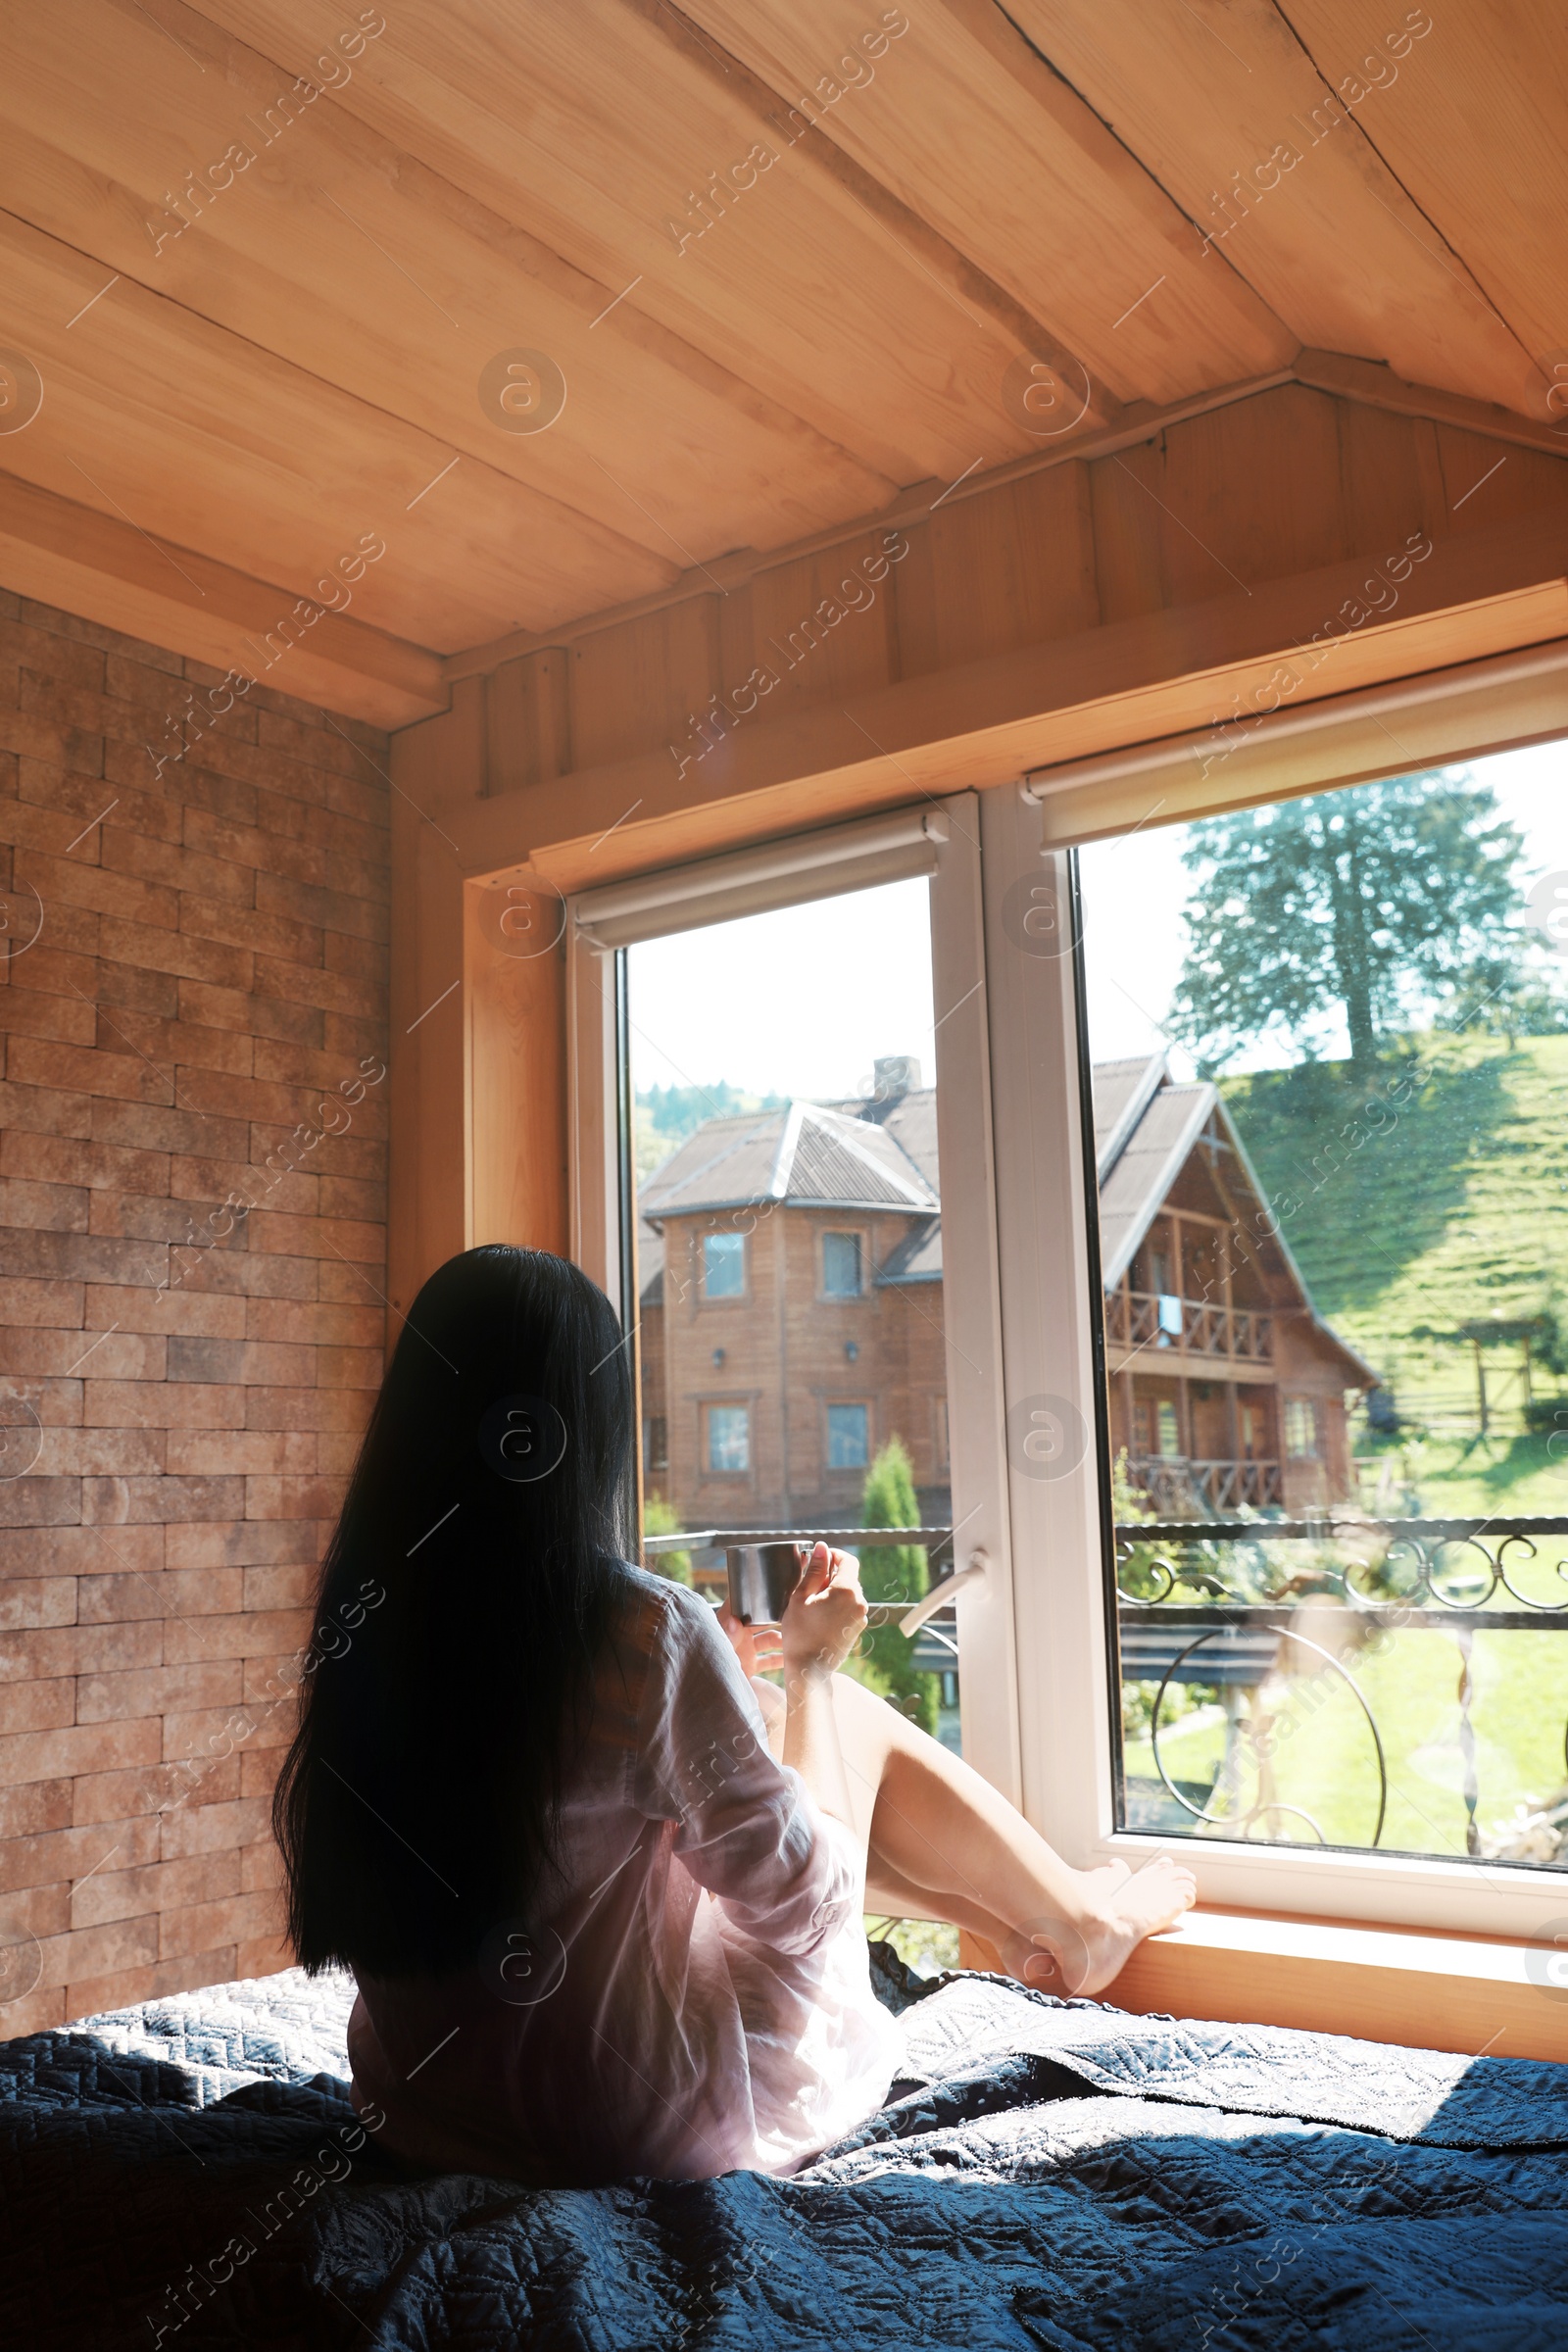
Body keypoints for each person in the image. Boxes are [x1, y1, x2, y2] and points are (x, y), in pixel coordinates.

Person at [272, 1246, 1193, 2188]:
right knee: (837, 1723)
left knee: (744, 1771)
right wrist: (812, 1671)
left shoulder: (369, 1616)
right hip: (625, 2125)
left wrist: (711, 1689)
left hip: (420, 2113)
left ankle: (1016, 1926)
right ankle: (1079, 1922)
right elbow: (802, 1906)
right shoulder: (642, 1631)